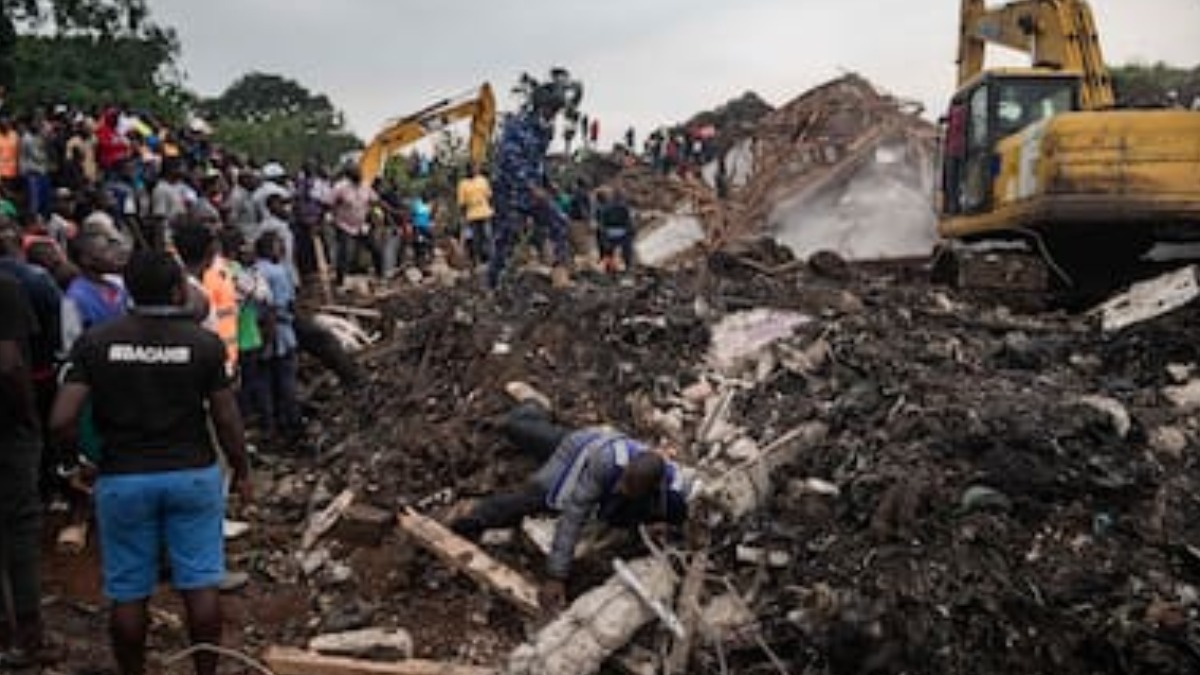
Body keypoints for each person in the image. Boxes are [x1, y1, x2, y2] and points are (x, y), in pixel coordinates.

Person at [50, 250, 252, 675]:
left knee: (129, 593)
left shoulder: (97, 342)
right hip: (192, 475)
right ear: (179, 290)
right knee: (200, 585)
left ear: (128, 291)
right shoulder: (203, 344)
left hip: (123, 478)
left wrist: (77, 464)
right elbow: (227, 418)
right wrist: (243, 471)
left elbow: (63, 419)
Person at [451, 399, 691, 608]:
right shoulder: (607, 464)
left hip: (600, 454)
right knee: (539, 495)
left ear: (651, 489)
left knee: (615, 513)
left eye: (629, 488)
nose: (621, 488)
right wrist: (556, 575)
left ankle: (536, 420)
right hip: (582, 450)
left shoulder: (673, 498)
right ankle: (478, 516)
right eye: (623, 482)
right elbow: (574, 514)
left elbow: (684, 526)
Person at [0, 271, 57, 667]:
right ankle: (27, 634)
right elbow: (9, 364)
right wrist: (28, 417)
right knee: (19, 527)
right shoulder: (6, 289)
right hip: (6, 430)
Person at [488, 85, 566, 289]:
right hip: (510, 192)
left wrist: (549, 183)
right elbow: (510, 161)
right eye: (551, 110)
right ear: (540, 106)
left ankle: (560, 270)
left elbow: (538, 161)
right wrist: (531, 186)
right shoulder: (516, 126)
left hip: (534, 192)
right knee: (507, 238)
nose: (553, 116)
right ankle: (493, 284)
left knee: (559, 220)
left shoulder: (546, 129)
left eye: (556, 112)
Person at [254, 231, 302, 443]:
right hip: (280, 333)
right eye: (279, 245)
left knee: (263, 382)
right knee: (286, 380)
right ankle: (292, 424)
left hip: (256, 333)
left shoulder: (251, 270)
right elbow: (284, 304)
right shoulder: (279, 272)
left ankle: (268, 424)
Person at [328, 166, 383, 286]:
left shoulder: (365, 185)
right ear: (349, 177)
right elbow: (330, 203)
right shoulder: (340, 187)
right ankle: (339, 282)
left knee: (376, 248)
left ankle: (380, 276)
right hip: (345, 226)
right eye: (356, 176)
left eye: (360, 175)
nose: (359, 178)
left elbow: (376, 201)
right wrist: (332, 218)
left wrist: (381, 213)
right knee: (345, 254)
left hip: (361, 226)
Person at [456, 162, 494, 266]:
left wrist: (492, 208)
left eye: (475, 168)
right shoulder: (463, 184)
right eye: (471, 169)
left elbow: (489, 196)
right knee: (476, 239)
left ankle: (492, 259)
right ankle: (477, 260)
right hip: (472, 215)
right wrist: (462, 217)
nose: (474, 170)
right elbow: (462, 203)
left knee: (488, 235)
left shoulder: (483, 180)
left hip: (485, 212)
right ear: (467, 170)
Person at [594, 187, 636, 273]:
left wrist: (604, 235)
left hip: (609, 234)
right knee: (627, 249)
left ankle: (610, 267)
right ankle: (628, 266)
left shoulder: (606, 208)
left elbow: (602, 224)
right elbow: (629, 223)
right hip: (622, 234)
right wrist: (631, 233)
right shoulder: (624, 208)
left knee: (609, 250)